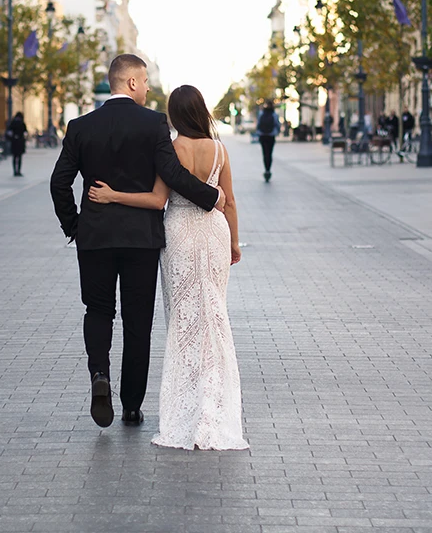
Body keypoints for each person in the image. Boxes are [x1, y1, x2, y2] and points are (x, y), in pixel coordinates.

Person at [49, 54, 224, 430]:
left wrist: (76, 226)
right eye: (144, 81)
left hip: (95, 237)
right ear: (131, 83)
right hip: (141, 239)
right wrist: (212, 197)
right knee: (137, 321)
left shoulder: (80, 126)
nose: (147, 88)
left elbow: (59, 182)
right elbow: (172, 173)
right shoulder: (152, 124)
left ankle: (100, 375)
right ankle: (131, 406)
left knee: (97, 311)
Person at [87, 84, 247, 451]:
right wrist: (235, 243)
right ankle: (216, 400)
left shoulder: (172, 148)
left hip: (179, 235)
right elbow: (231, 201)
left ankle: (186, 407)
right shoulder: (220, 150)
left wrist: (113, 195)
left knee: (183, 318)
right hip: (214, 232)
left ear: (174, 115)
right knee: (214, 315)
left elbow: (158, 200)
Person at [256, 101, 280, 182]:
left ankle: (266, 169)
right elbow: (277, 125)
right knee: (269, 153)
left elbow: (258, 124)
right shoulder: (274, 114)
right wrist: (277, 133)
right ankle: (268, 169)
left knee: (264, 153)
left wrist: (259, 133)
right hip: (271, 136)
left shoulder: (261, 113)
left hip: (263, 136)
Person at [6, 112, 27, 177]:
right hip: (20, 142)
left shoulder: (13, 123)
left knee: (14, 157)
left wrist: (13, 137)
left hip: (14, 142)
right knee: (19, 157)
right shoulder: (22, 123)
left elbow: (9, 132)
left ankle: (15, 171)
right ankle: (19, 171)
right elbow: (25, 133)